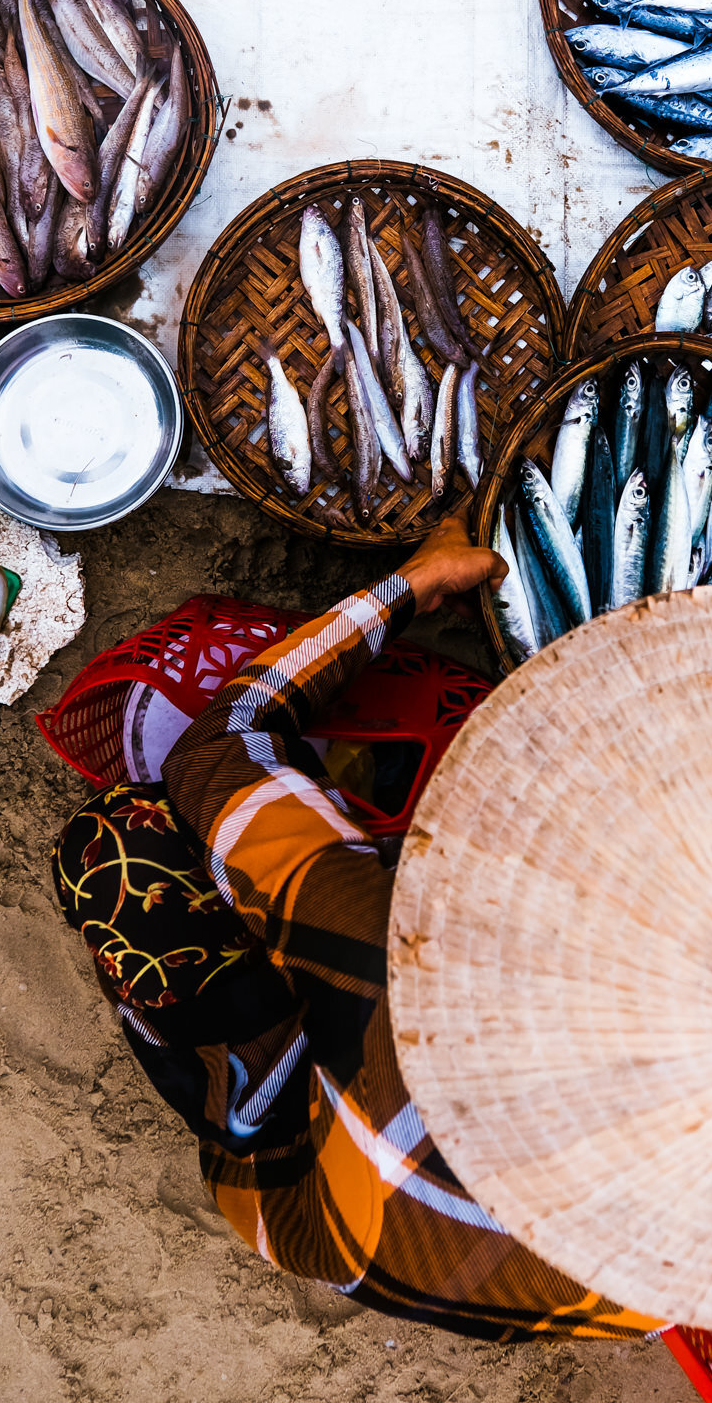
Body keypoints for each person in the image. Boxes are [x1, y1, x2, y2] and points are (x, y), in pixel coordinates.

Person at [53, 512, 659, 1343]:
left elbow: (215, 752)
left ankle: (250, 1091)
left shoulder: (416, 959)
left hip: (303, 1192)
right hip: (498, 1277)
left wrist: (411, 586)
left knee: (117, 846)